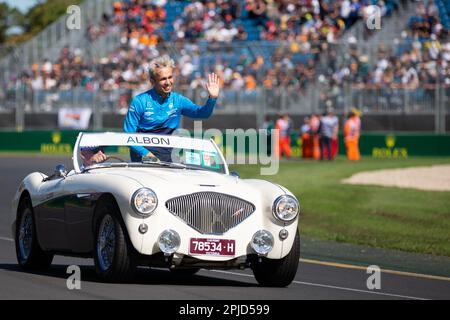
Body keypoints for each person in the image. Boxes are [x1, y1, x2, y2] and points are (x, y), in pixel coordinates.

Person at [123, 55, 220, 162]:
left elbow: (202, 113)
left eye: (170, 77)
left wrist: (212, 98)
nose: (168, 82)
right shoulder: (139, 101)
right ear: (152, 81)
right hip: (143, 162)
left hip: (169, 162)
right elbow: (128, 136)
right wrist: (147, 154)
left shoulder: (178, 100)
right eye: (163, 79)